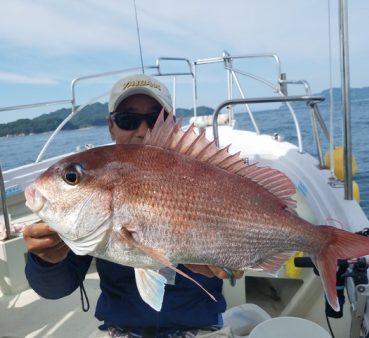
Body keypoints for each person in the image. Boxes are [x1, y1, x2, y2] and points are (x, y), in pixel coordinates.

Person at [23, 74, 245, 338]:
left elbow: (234, 266)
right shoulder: (96, 185)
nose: (142, 131)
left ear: (171, 124)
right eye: (128, 120)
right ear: (111, 126)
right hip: (122, 332)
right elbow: (56, 289)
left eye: (154, 119)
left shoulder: (205, 174)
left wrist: (234, 263)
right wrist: (46, 262)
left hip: (200, 329)